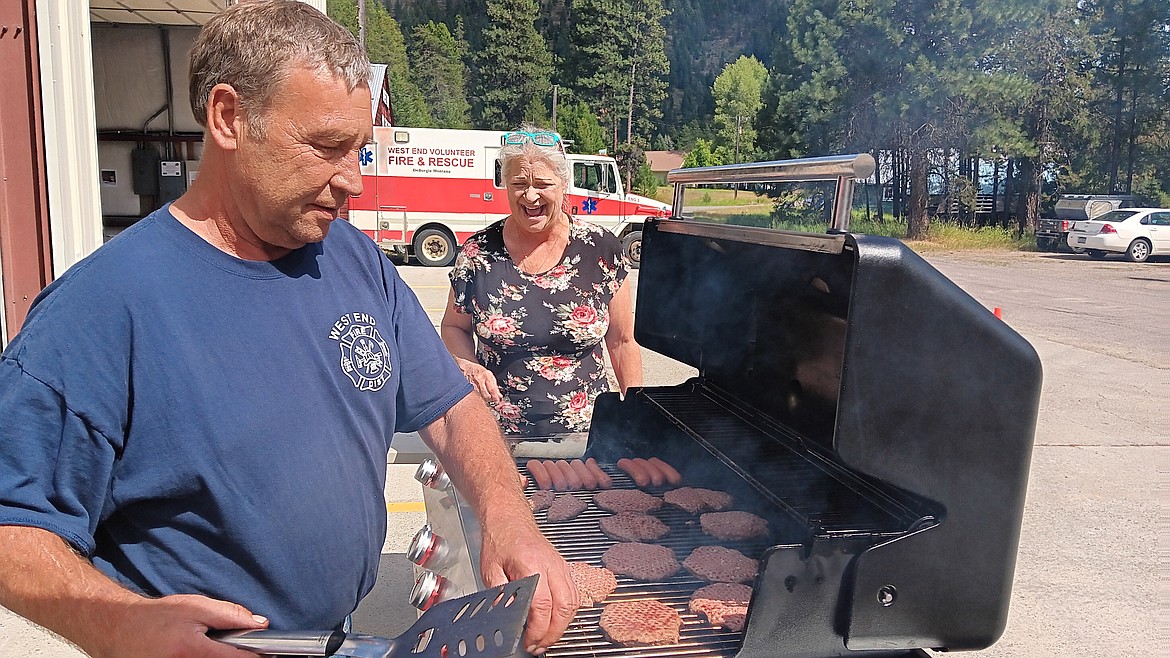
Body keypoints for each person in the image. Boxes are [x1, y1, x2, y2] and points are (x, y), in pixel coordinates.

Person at [0, 2, 575, 657]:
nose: (353, 180)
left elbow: (448, 407)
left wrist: (505, 514)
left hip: (340, 636)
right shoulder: (103, 306)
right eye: (326, 146)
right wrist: (114, 623)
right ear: (228, 117)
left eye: (358, 150)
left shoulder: (353, 260)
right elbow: (11, 521)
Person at [441, 128, 643, 437]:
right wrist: (469, 366)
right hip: (498, 432)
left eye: (543, 184)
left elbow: (622, 342)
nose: (530, 195)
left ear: (564, 185)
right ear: (505, 185)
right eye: (519, 184)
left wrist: (637, 414)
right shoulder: (477, 253)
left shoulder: (601, 248)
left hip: (589, 435)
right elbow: (454, 327)